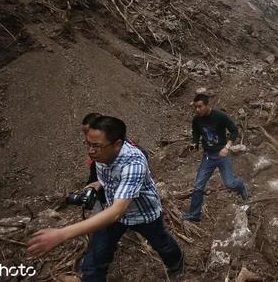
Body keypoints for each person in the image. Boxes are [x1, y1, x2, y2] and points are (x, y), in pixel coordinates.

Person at [27, 116, 184, 281]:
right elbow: (109, 180)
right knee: (94, 260)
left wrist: (61, 234)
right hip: (112, 211)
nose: (91, 151)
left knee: (163, 244)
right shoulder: (102, 154)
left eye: (96, 146)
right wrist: (97, 184)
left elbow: (116, 212)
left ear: (117, 144)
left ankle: (176, 263)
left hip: (142, 214)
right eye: (88, 144)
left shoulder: (134, 164)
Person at [183, 94, 248, 223]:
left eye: (200, 107)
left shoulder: (220, 116)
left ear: (207, 105)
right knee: (198, 186)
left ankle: (241, 185)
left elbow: (234, 130)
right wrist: (194, 143)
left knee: (230, 183)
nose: (197, 110)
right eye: (195, 107)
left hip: (222, 154)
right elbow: (196, 133)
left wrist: (227, 147)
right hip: (208, 156)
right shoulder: (196, 119)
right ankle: (195, 215)